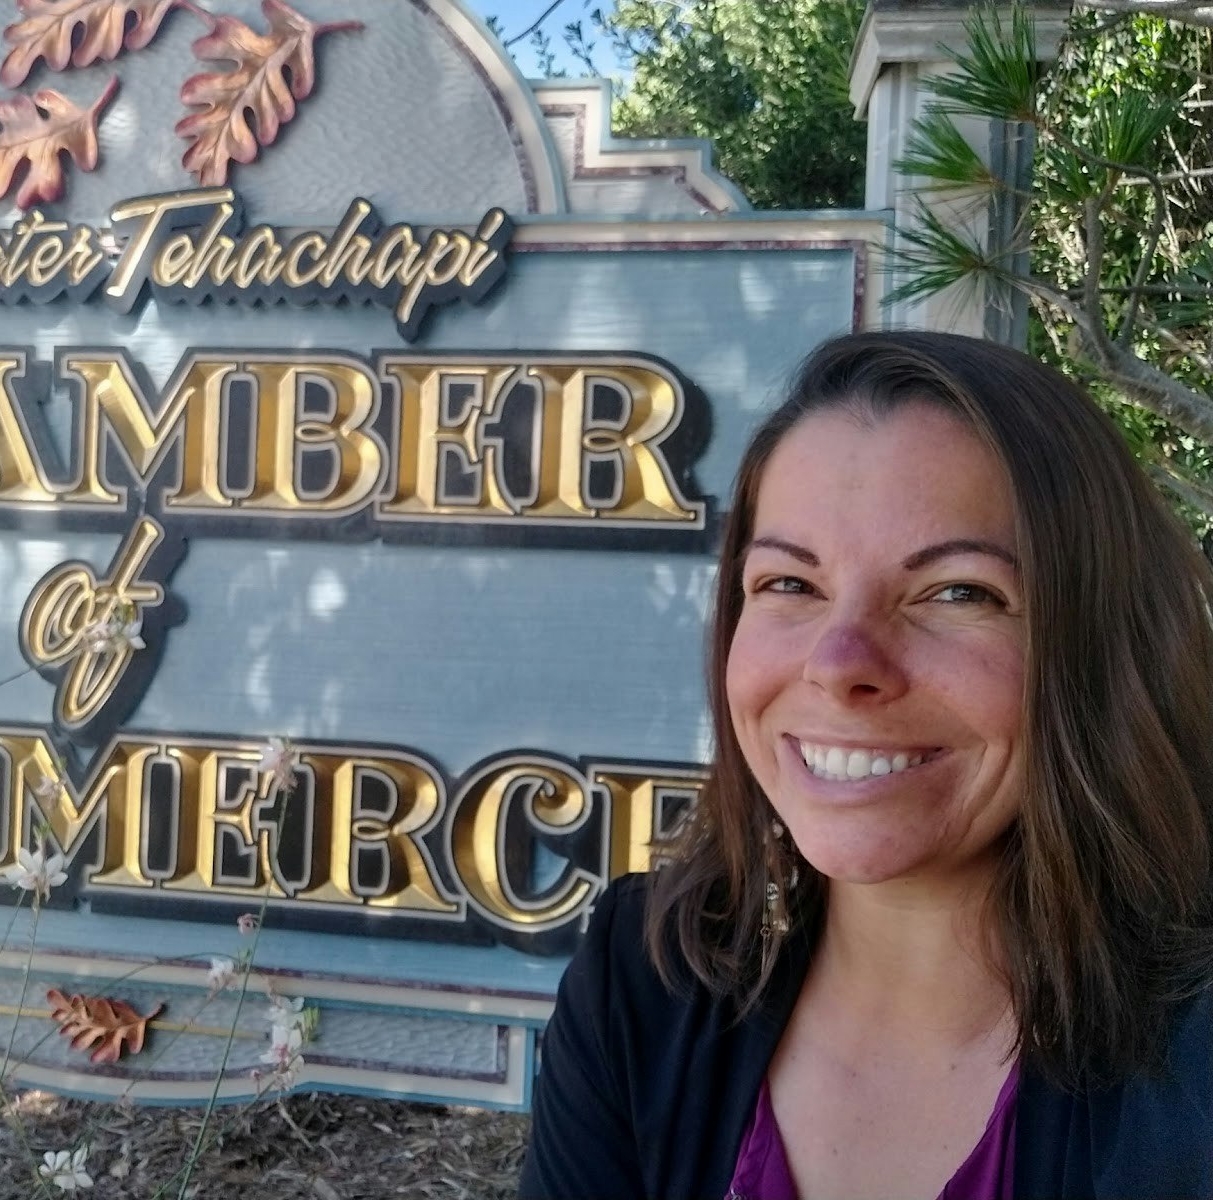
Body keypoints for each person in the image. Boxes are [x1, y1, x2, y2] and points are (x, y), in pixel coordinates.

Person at [518, 331, 1213, 1200]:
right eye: (789, 584)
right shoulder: (648, 981)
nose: (840, 661)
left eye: (958, 592)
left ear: (1108, 649)